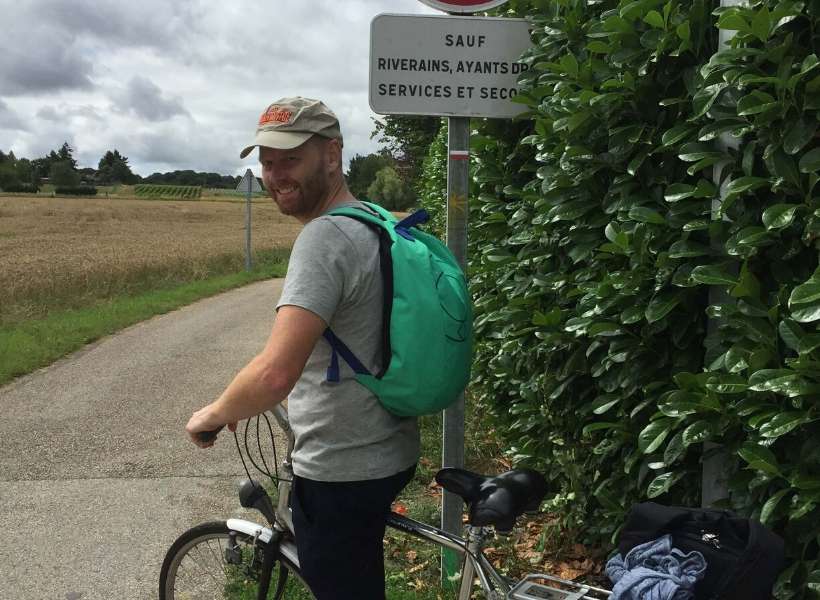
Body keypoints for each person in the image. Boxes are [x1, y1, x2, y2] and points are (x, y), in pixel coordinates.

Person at [184, 97, 420, 600]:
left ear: (332, 155)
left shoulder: (324, 239)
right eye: (266, 162)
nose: (274, 175)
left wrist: (214, 413)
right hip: (390, 448)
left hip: (342, 467)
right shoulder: (372, 220)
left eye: (290, 158)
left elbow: (274, 374)